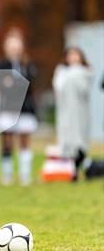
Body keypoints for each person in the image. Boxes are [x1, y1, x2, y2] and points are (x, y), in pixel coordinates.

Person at [0, 29, 37, 186]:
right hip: (7, 108)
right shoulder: (2, 65)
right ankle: (7, 175)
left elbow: (29, 84)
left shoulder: (27, 64)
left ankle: (24, 174)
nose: (14, 50)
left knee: (25, 140)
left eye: (16, 47)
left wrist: (14, 83)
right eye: (11, 47)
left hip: (25, 108)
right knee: (7, 141)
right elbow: (1, 85)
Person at [52, 47, 92, 181]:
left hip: (80, 113)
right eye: (71, 55)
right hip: (66, 113)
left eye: (76, 55)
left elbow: (84, 89)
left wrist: (75, 73)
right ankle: (71, 171)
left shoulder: (85, 73)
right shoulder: (61, 73)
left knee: (80, 141)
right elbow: (58, 88)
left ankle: (81, 168)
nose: (74, 58)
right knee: (68, 142)